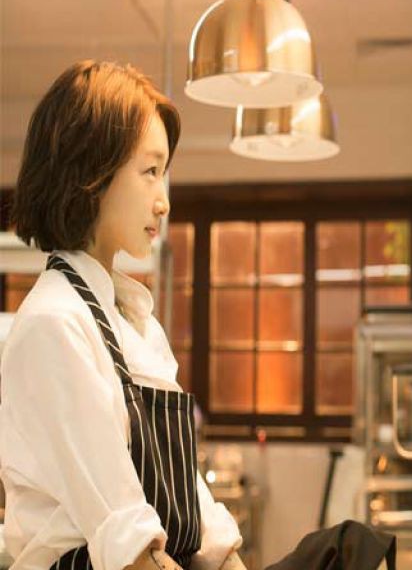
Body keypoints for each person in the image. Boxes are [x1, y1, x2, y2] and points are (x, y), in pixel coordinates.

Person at [0, 60, 246, 570]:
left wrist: (228, 558)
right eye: (150, 172)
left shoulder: (135, 323)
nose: (164, 203)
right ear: (90, 173)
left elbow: (190, 501)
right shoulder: (54, 323)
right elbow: (127, 542)